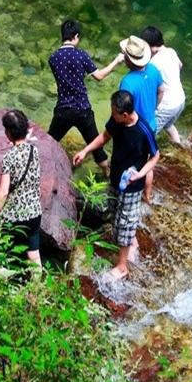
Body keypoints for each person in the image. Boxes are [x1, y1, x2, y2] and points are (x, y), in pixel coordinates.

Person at [73, 91, 159, 280]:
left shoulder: (144, 130)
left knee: (125, 222)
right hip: (115, 178)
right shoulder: (117, 121)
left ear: (126, 115)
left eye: (115, 113)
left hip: (132, 185)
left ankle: (122, 267)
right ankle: (131, 240)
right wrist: (85, 151)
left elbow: (155, 156)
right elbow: (104, 136)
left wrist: (141, 174)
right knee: (113, 212)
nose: (112, 115)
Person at [47, 19, 123, 168]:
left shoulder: (53, 58)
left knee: (49, 142)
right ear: (75, 36)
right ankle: (106, 175)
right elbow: (99, 76)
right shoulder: (81, 55)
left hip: (63, 110)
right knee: (97, 149)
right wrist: (116, 61)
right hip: (83, 110)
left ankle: (44, 169)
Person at [0, 110, 45, 268]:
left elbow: (3, 192)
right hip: (35, 212)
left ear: (8, 133)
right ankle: (38, 287)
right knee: (33, 252)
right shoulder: (34, 150)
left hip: (16, 216)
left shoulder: (9, 157)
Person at [118, 35, 166, 201]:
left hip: (135, 129)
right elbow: (161, 90)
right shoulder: (153, 69)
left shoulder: (127, 82)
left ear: (128, 60)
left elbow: (123, 108)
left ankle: (129, 195)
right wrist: (153, 108)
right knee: (148, 162)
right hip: (150, 124)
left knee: (131, 163)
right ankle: (147, 196)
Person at [142, 26, 187, 146]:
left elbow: (151, 87)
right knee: (168, 125)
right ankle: (179, 146)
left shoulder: (153, 63)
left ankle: (146, 159)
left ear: (148, 45)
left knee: (147, 134)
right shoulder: (171, 51)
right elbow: (180, 65)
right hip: (181, 100)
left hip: (168, 105)